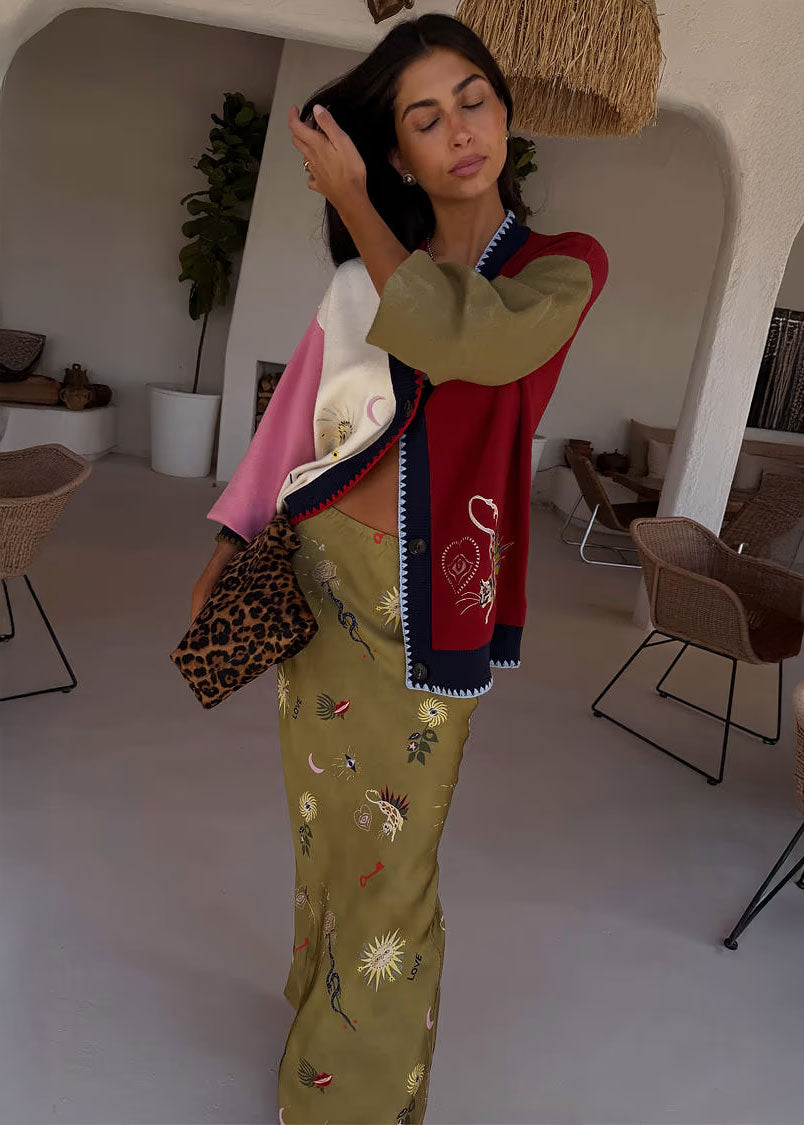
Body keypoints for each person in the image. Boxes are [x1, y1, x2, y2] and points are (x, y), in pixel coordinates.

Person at [191, 14, 607, 1124]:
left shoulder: (560, 270)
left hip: (426, 611)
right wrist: (231, 545)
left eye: (473, 99)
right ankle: (318, 1022)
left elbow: (466, 339)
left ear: (505, 112)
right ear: (402, 153)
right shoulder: (353, 286)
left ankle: (350, 1102)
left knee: (396, 866)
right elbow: (292, 424)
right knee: (328, 840)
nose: (459, 129)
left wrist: (355, 205)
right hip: (316, 582)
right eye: (425, 118)